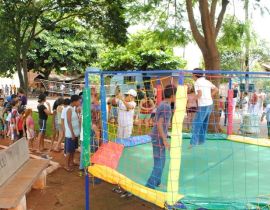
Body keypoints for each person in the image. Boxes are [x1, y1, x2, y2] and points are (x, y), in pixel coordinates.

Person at [145, 84, 177, 189]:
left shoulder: (163, 104)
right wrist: (164, 139)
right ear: (172, 95)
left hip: (158, 135)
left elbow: (157, 120)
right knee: (160, 161)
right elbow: (159, 123)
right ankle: (150, 185)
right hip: (158, 137)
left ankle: (157, 182)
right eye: (176, 95)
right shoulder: (166, 106)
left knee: (161, 160)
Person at [190, 68, 218, 148]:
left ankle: (193, 143)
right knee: (204, 123)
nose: (192, 76)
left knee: (196, 124)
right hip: (209, 104)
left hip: (203, 105)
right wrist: (210, 96)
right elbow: (216, 89)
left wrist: (191, 100)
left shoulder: (197, 82)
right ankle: (201, 141)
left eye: (192, 74)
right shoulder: (206, 81)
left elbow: (199, 94)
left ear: (195, 75)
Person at [64, 95, 81, 172]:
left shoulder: (73, 109)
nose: (79, 102)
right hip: (71, 134)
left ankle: (71, 162)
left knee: (73, 149)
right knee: (69, 151)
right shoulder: (69, 109)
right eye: (78, 101)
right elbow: (68, 122)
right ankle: (66, 165)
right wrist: (72, 133)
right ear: (74, 101)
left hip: (75, 133)